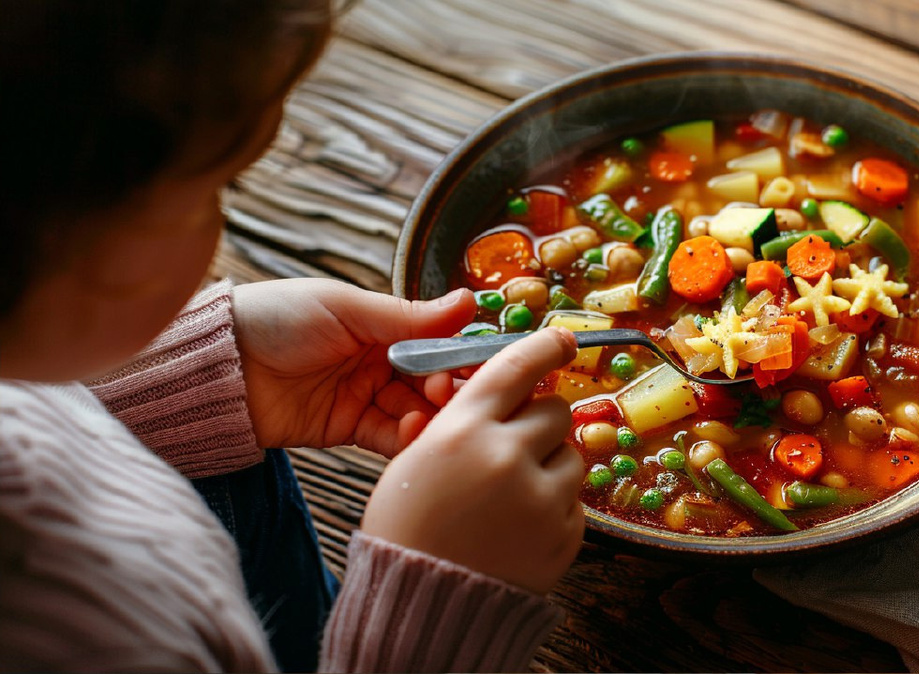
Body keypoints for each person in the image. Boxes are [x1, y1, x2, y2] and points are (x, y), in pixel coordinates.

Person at [0, 1, 585, 671]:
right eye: (219, 186)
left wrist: (207, 373)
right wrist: (430, 609)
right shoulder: (104, 634)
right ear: (71, 247)